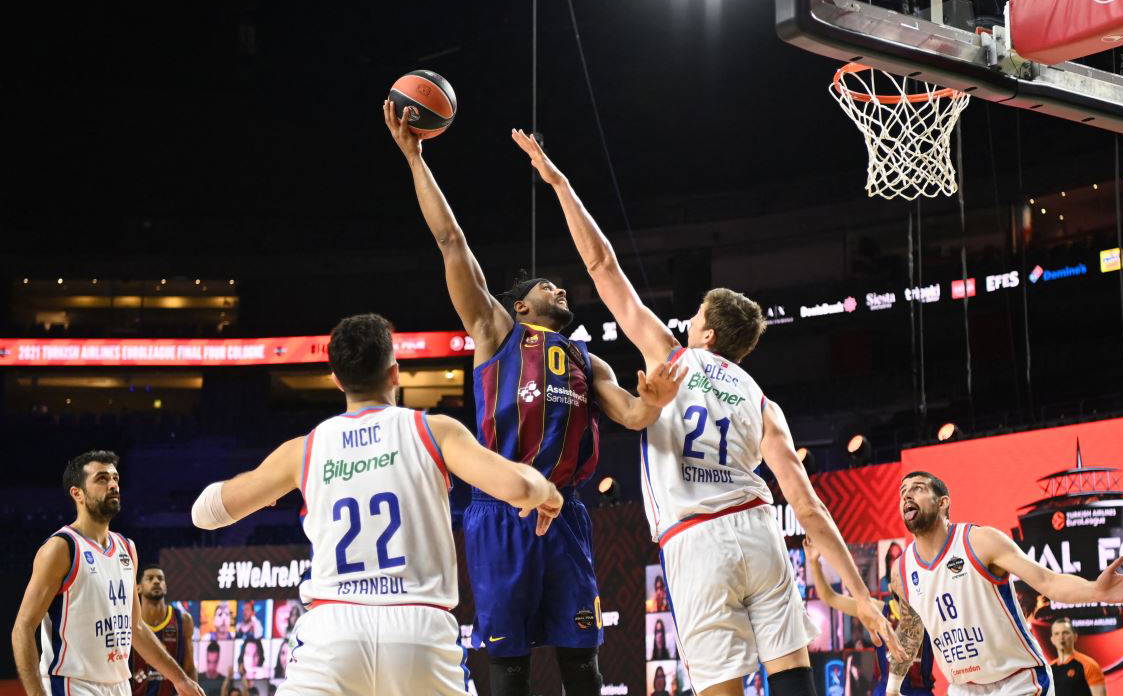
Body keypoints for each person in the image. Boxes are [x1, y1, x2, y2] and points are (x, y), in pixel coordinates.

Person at [516, 129, 899, 696]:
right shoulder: (763, 402)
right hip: (761, 532)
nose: (688, 321)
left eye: (695, 315)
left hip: (697, 542)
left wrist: (560, 184)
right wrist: (860, 596)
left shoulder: (672, 357)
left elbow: (602, 266)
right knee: (794, 683)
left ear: (709, 333)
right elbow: (809, 506)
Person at [385, 102, 684, 696]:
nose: (560, 288)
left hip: (566, 512)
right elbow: (450, 241)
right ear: (520, 306)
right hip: (502, 510)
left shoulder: (588, 361)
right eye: (547, 286)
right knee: (509, 665)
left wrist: (655, 400)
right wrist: (415, 159)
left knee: (582, 661)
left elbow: (632, 415)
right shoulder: (496, 333)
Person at [190, 313, 565, 695]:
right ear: (395, 373)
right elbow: (519, 487)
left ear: (337, 380)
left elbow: (204, 514)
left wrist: (259, 486)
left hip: (334, 632)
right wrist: (548, 491)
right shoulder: (434, 431)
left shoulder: (304, 450)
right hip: (419, 628)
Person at [884, 471, 1123, 695]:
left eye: (917, 488)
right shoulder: (902, 570)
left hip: (1018, 681)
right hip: (963, 689)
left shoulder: (979, 541)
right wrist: (893, 689)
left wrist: (1096, 590)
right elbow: (910, 628)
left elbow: (1048, 581)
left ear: (943, 502)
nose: (907, 495)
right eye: (902, 491)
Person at [11, 450, 205, 696]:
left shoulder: (127, 548)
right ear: (77, 493)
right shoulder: (62, 548)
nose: (113, 485)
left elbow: (136, 627)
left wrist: (180, 679)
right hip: (73, 684)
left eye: (115, 478)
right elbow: (23, 627)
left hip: (119, 684)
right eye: (102, 479)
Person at [805, 538, 934, 696]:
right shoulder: (878, 610)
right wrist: (814, 562)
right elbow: (829, 597)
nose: (901, 578)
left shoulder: (929, 611)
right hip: (885, 691)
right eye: (896, 575)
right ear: (890, 585)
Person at [130, 566, 196, 695]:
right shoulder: (129, 622)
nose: (156, 581)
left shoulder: (183, 620)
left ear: (165, 587)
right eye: (150, 578)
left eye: (160, 579)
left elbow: (189, 668)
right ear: (138, 588)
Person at [1048, 618, 1105, 696]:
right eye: (1056, 634)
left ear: (1075, 636)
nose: (1061, 637)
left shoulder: (1088, 665)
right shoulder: (1049, 669)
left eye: (1065, 633)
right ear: (1052, 639)